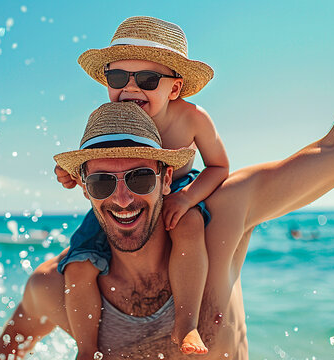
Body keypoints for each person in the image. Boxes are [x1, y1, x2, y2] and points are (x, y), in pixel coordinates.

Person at [0, 85, 334, 359]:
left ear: (167, 178)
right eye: (103, 181)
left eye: (139, 178)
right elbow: (12, 342)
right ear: (85, 188)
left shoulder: (223, 218)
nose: (122, 198)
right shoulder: (56, 286)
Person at [55, 16, 228, 356]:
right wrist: (68, 173)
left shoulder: (191, 118)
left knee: (190, 223)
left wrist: (187, 198)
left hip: (177, 186)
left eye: (148, 79)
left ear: (174, 88)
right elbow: (90, 161)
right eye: (118, 77)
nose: (130, 89)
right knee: (78, 263)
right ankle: (86, 348)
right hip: (125, 195)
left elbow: (219, 166)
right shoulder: (110, 117)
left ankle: (187, 324)